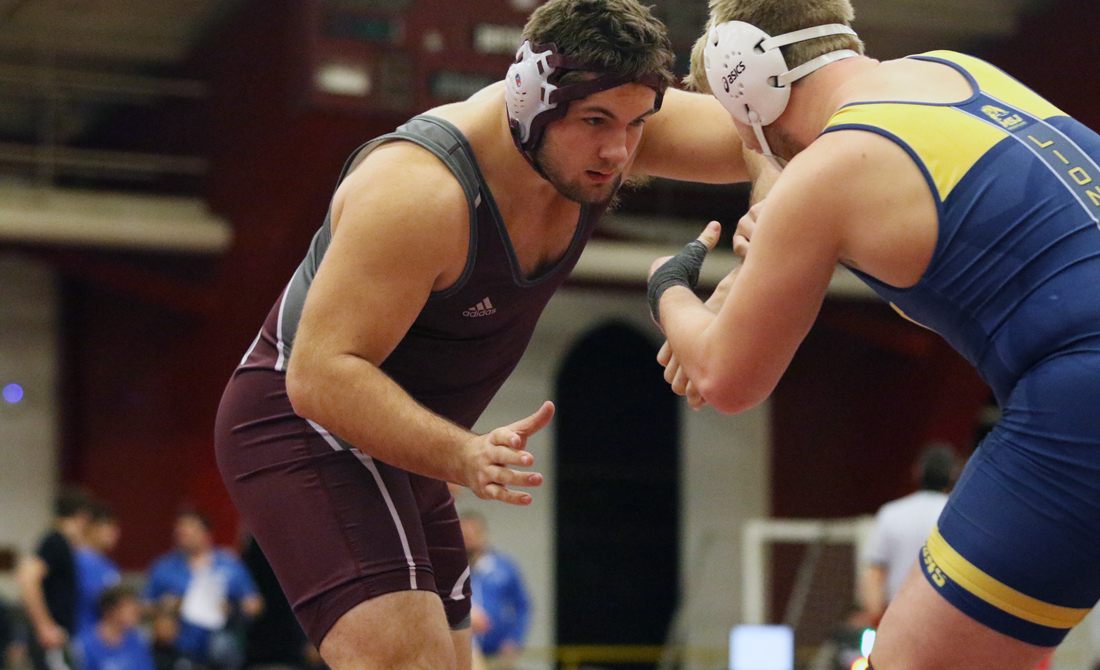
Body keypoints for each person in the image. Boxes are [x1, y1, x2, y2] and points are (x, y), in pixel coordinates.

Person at [213, 1, 761, 669]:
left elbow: (788, 144)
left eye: (636, 125)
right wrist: (462, 456)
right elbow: (318, 374)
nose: (617, 152)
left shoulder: (612, 120)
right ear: (528, 96)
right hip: (307, 428)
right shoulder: (419, 190)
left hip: (410, 446)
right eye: (595, 123)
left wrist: (750, 272)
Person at [646, 0, 1100, 667]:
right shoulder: (956, 71)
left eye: (740, 128)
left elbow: (725, 379)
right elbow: (947, 278)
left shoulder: (826, 170)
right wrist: (795, 249)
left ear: (747, 87)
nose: (750, 149)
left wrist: (669, 289)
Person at [143, 510, 263, 670]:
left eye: (189, 530)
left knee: (224, 646)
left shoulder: (229, 565)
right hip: (178, 643)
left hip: (221, 639)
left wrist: (233, 608)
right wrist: (164, 608)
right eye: (180, 532)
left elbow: (255, 604)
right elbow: (143, 606)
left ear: (205, 533)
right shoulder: (164, 567)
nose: (183, 536)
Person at [856, 443, 957, 627]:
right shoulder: (959, 515)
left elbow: (874, 571)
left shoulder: (891, 513)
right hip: (943, 620)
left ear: (917, 471)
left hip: (896, 619)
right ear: (952, 475)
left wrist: (876, 616)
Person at [17, 488, 96, 670]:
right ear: (83, 516)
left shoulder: (64, 544)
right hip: (52, 637)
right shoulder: (55, 541)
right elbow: (27, 578)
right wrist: (44, 625)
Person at [460, 514, 530, 670]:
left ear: (483, 534)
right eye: (463, 536)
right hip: (463, 652)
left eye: (472, 535)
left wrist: (514, 639)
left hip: (497, 652)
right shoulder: (448, 569)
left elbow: (523, 606)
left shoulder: (504, 567)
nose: (468, 540)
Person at [73, 586, 154, 670]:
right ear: (110, 611)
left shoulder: (137, 640)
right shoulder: (84, 646)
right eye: (129, 606)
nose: (135, 611)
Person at [74, 504, 122, 639]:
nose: (114, 533)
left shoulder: (110, 566)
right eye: (107, 526)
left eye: (115, 527)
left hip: (108, 640)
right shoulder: (77, 561)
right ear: (90, 528)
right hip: (83, 635)